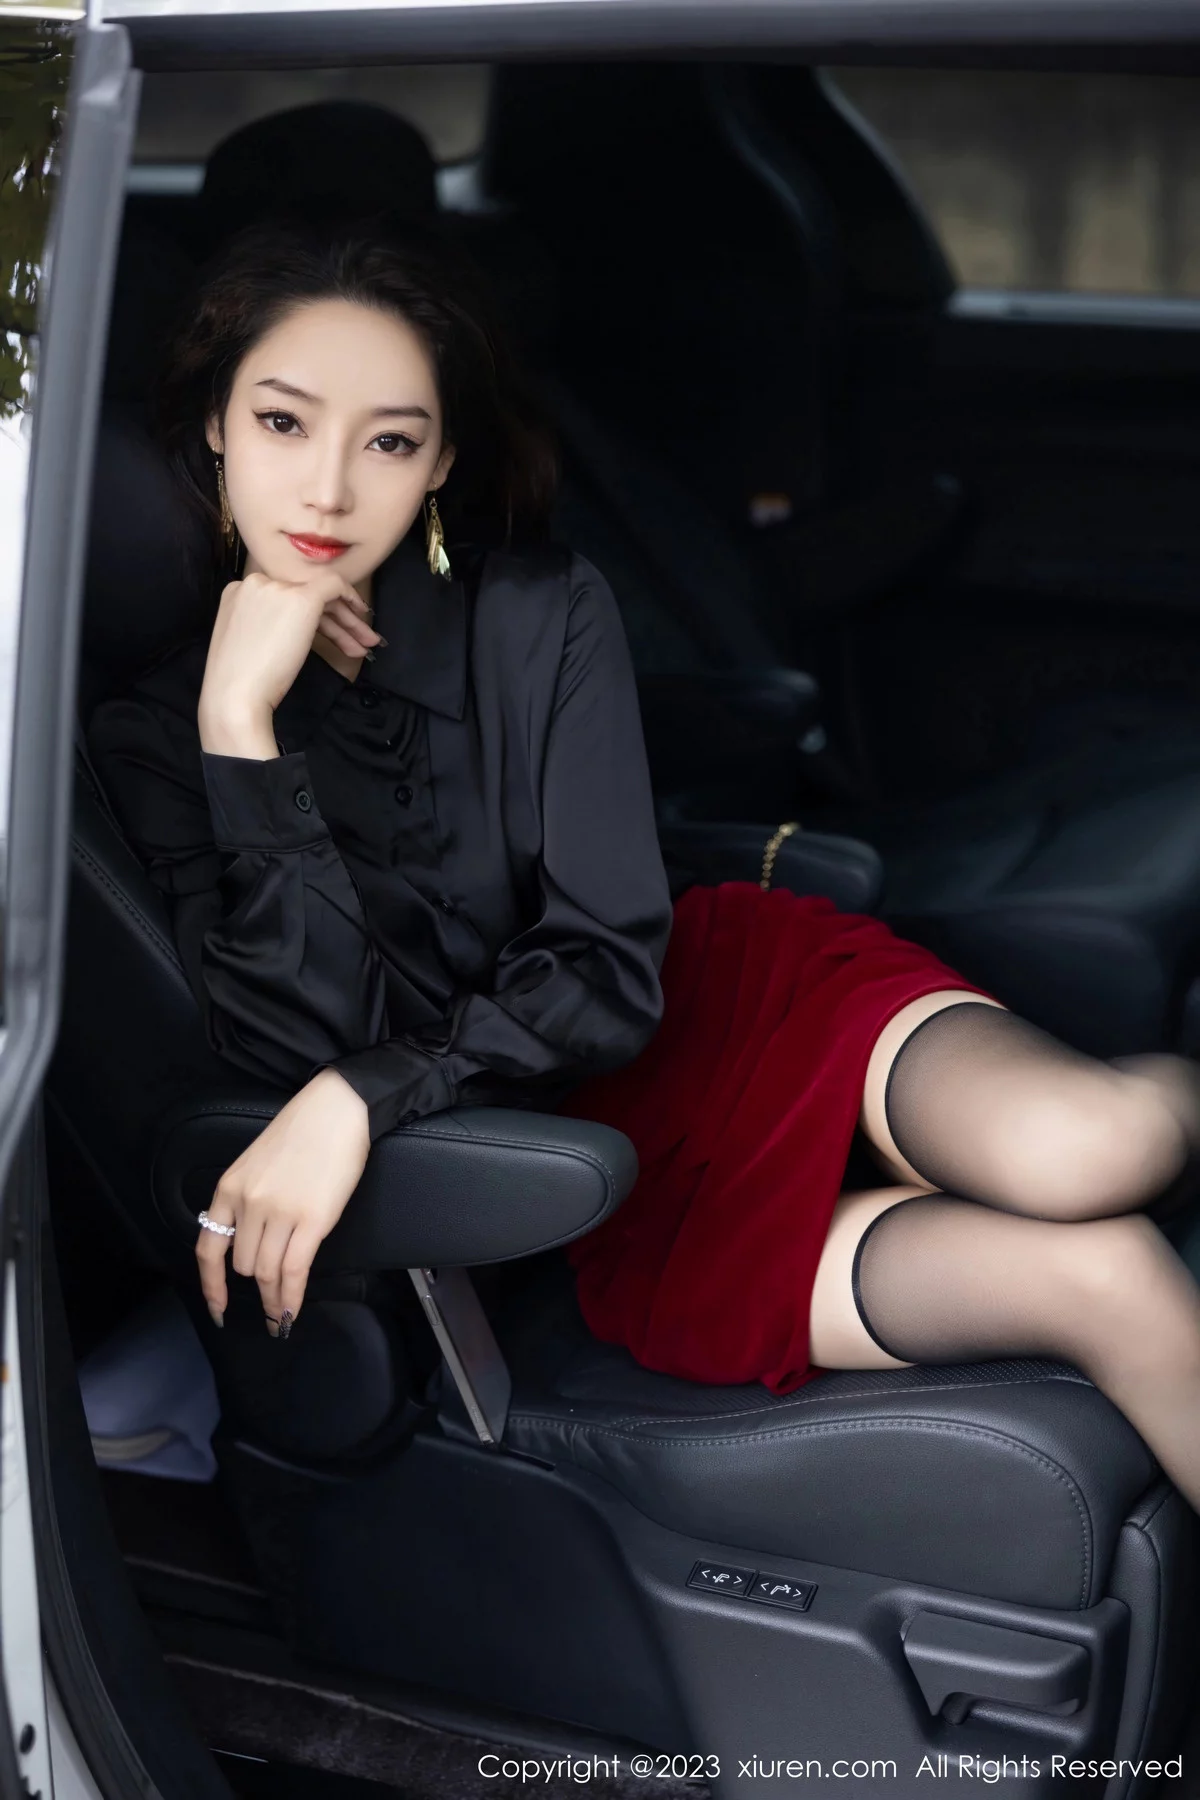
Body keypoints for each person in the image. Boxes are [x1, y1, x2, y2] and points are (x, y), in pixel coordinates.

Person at [89, 216, 1200, 1514]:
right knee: (1106, 1273)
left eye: (387, 440)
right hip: (582, 1188)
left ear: (440, 459)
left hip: (718, 1012)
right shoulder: (159, 736)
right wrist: (244, 734)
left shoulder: (537, 616)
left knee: (1092, 1151)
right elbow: (297, 1046)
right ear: (215, 427)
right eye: (284, 424)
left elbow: (603, 969)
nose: (327, 490)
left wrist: (364, 1092)